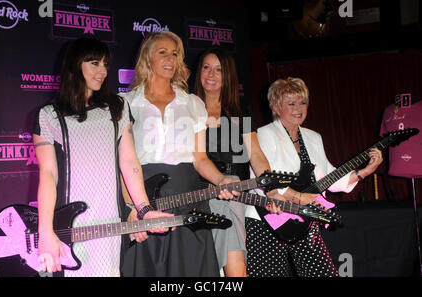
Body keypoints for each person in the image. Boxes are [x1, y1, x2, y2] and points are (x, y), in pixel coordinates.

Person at [33, 37, 171, 277]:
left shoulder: (117, 107)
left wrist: (144, 210)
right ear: (76, 65)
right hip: (69, 227)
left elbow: (129, 163)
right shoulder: (49, 115)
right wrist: (45, 232)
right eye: (94, 63)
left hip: (110, 224)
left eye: (105, 64)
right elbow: (48, 174)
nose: (103, 71)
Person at [119, 31, 251, 277]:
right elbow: (123, 163)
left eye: (175, 53)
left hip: (189, 201)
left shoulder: (192, 103)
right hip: (144, 199)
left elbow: (200, 159)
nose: (171, 58)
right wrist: (132, 206)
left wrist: (221, 180)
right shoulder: (124, 103)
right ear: (148, 57)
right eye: (163, 52)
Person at [245, 77, 383, 277]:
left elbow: (328, 177)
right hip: (267, 218)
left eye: (302, 103)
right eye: (291, 103)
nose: (298, 108)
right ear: (276, 107)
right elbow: (263, 178)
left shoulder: (313, 137)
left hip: (304, 220)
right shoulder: (263, 134)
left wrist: (363, 172)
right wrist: (296, 197)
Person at [194, 48, 282, 277]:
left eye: (219, 70)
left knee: (234, 263)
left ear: (228, 76)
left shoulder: (239, 112)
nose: (211, 74)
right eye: (206, 67)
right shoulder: (187, 108)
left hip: (231, 190)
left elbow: (256, 155)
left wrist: (271, 190)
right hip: (194, 189)